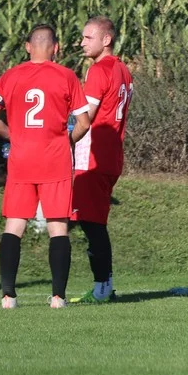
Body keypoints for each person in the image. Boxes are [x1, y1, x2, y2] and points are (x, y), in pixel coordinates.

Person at [0, 25, 91, 309]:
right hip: (55, 159)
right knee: (58, 227)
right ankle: (58, 297)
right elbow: (84, 122)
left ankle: (8, 296)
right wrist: (68, 141)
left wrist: (13, 135)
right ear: (56, 48)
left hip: (21, 159)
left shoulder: (9, 77)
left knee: (14, 225)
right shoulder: (66, 76)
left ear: (27, 47)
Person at [70, 16, 133, 304]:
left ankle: (103, 287)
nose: (82, 42)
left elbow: (87, 117)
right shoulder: (123, 69)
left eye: (87, 37)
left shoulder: (99, 70)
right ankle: (103, 284)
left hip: (93, 154)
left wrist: (64, 140)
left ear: (105, 40)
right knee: (92, 221)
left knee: (91, 223)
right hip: (112, 154)